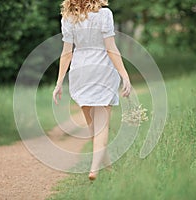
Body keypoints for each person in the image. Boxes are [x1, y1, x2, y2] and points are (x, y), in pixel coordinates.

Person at [53, 0, 131, 180]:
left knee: (93, 127)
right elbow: (110, 48)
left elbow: (66, 53)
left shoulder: (69, 17)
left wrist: (59, 82)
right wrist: (124, 75)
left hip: (81, 71)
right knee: (101, 127)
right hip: (103, 69)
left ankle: (108, 168)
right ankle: (94, 169)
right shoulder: (105, 14)